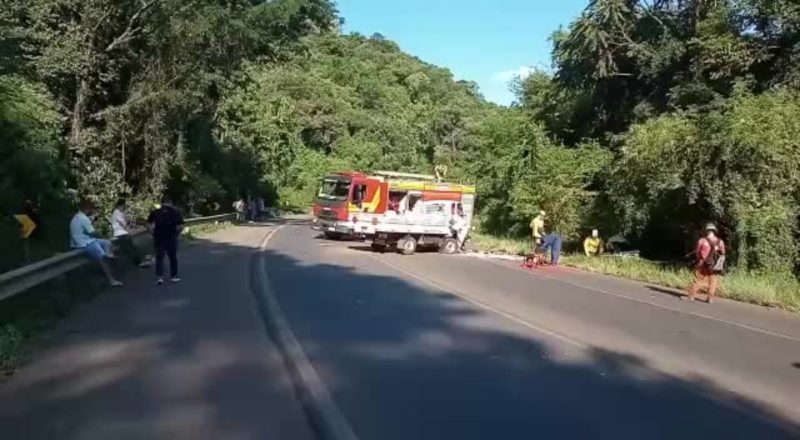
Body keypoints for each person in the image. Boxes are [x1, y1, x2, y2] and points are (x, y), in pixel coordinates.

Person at [70, 200, 123, 287]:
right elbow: (93, 233)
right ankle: (111, 280)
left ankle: (108, 254)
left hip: (85, 240)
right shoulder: (83, 219)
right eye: (92, 209)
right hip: (84, 243)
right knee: (101, 258)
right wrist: (103, 236)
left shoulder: (77, 216)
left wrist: (104, 239)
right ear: (88, 209)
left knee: (107, 243)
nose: (93, 211)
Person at [147, 196, 184, 285]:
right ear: (170, 202)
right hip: (171, 237)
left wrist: (152, 233)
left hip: (159, 237)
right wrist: (177, 234)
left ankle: (160, 277)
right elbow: (180, 226)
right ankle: (173, 276)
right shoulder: (175, 212)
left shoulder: (155, 212)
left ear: (161, 203)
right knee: (172, 257)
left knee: (159, 257)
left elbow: (148, 223)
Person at [687, 223, 726, 304]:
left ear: (706, 230)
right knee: (713, 282)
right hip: (714, 266)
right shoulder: (720, 242)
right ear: (714, 231)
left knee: (698, 280)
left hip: (702, 264)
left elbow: (697, 252)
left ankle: (691, 296)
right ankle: (710, 299)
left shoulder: (702, 240)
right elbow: (723, 254)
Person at [110, 199, 151, 268]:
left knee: (128, 248)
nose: (124, 208)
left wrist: (131, 224)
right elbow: (124, 224)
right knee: (131, 248)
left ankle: (114, 256)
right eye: (123, 206)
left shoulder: (120, 212)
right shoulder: (117, 213)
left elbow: (127, 221)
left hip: (122, 233)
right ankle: (139, 262)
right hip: (121, 233)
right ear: (119, 206)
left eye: (125, 206)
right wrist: (129, 226)